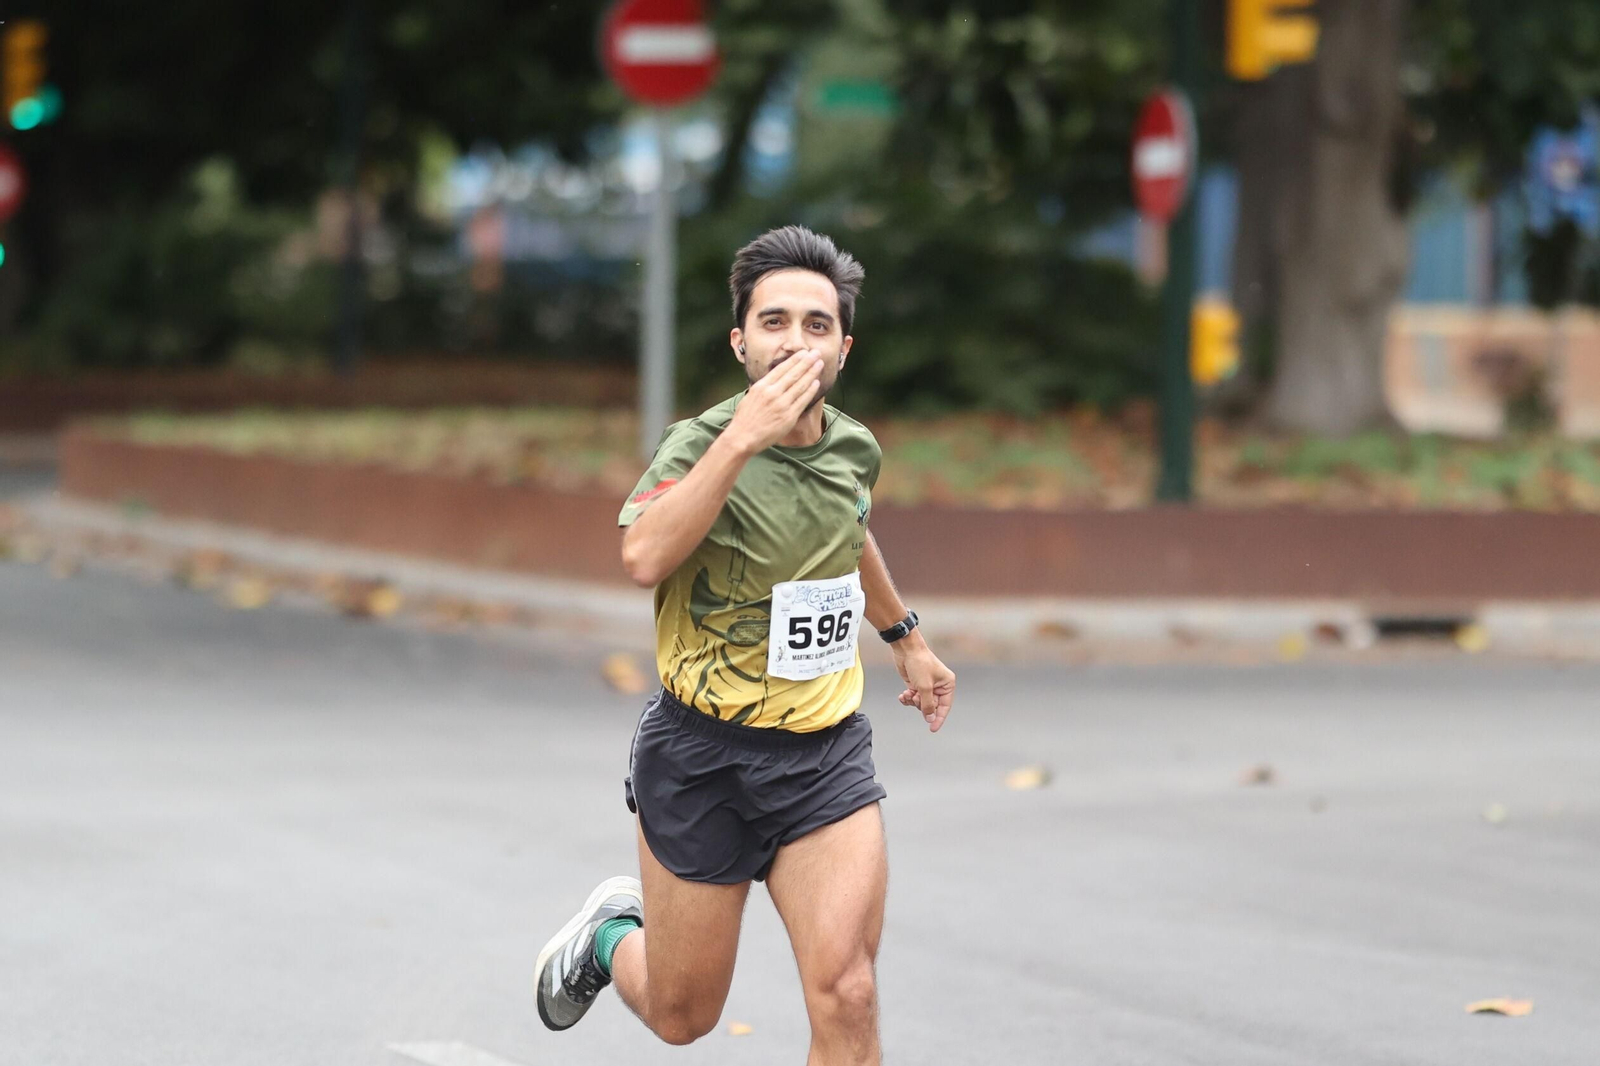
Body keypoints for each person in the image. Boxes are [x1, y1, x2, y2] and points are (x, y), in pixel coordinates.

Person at [535, 224, 957, 1065]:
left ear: (843, 347)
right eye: (773, 322)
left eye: (815, 323)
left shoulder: (853, 448)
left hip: (822, 755)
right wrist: (742, 440)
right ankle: (612, 934)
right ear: (740, 343)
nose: (793, 341)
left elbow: (848, 531)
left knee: (849, 991)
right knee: (682, 1014)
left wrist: (905, 637)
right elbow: (643, 555)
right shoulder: (699, 445)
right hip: (703, 757)